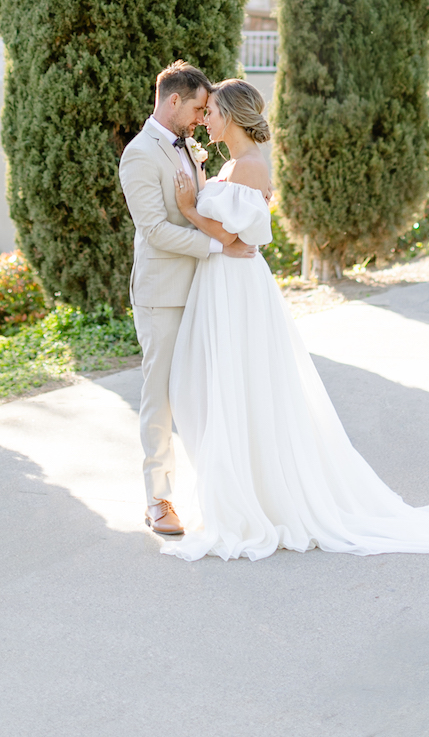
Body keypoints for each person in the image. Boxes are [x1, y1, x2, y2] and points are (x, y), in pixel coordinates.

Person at [165, 77, 429, 562]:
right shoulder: (234, 165)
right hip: (222, 285)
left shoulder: (250, 167)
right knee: (222, 386)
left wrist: (191, 209)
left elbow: (240, 240)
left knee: (242, 386)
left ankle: (255, 500)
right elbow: (233, 235)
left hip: (237, 288)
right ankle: (240, 489)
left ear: (232, 116)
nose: (205, 118)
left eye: (211, 110)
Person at [118, 60, 258, 538]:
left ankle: (215, 488)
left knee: (201, 394)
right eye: (198, 107)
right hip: (163, 295)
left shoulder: (188, 150)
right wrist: (220, 245)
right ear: (173, 101)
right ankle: (157, 499)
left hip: (203, 292)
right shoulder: (140, 154)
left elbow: (200, 208)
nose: (203, 117)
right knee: (160, 397)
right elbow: (155, 231)